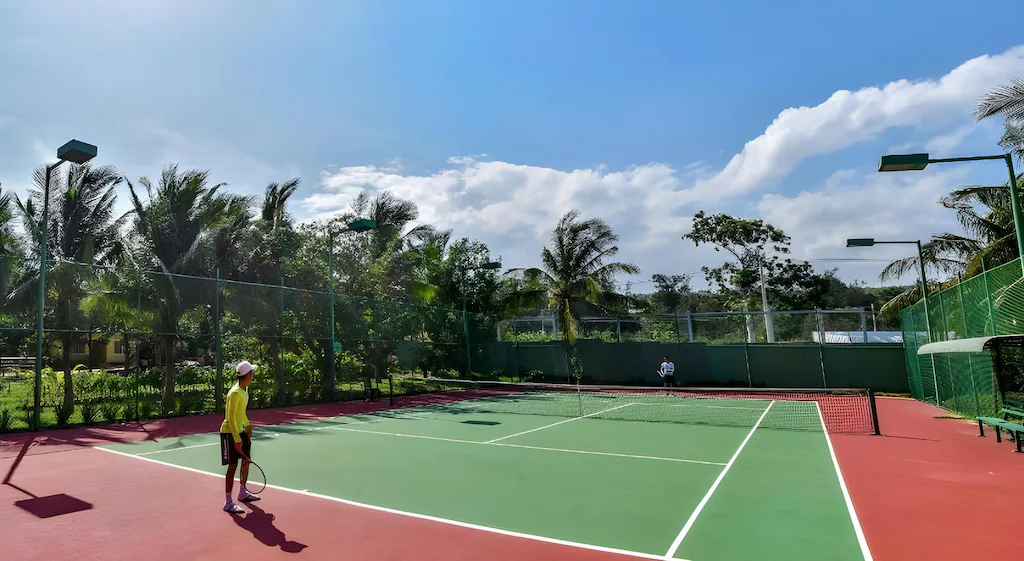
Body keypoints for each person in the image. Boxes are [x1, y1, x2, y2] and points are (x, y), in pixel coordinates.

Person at [220, 361, 259, 513]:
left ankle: (242, 492)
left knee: (246, 460)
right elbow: (230, 418)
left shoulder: (244, 390)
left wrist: (247, 425)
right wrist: (236, 440)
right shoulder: (235, 393)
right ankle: (228, 502)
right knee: (232, 466)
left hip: (240, 430)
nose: (253, 375)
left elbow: (240, 413)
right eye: (251, 373)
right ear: (247, 375)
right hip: (229, 432)